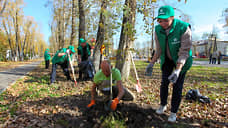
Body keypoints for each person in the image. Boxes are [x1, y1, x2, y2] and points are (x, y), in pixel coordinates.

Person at [145, 5, 193, 122]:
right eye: (160, 20)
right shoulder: (158, 29)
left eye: (166, 20)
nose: (163, 23)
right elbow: (159, 49)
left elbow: (184, 52)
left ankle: (173, 112)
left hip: (182, 60)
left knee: (177, 86)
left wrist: (177, 70)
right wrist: (151, 64)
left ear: (172, 17)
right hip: (167, 59)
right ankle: (163, 105)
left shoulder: (183, 28)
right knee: (164, 82)